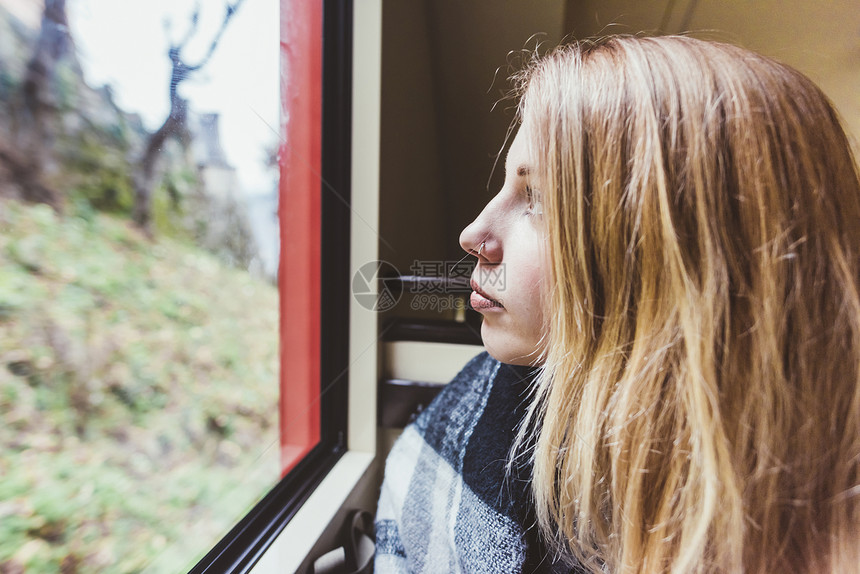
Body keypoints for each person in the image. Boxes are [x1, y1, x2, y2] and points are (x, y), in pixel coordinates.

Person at [375, 35, 860, 573]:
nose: (473, 234)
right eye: (507, 186)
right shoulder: (475, 414)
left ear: (677, 258)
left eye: (539, 200)